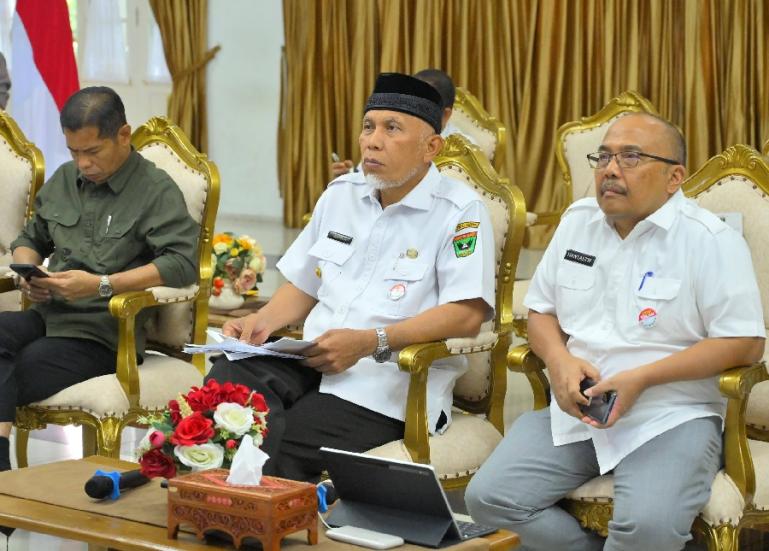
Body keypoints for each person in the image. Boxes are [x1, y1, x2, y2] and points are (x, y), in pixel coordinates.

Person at [465, 113, 765, 551]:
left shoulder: (710, 241)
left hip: (670, 414)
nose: (610, 169)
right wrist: (560, 361)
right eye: (604, 156)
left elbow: (745, 343)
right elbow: (541, 312)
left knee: (645, 528)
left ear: (674, 176)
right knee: (489, 500)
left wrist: (642, 377)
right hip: (578, 409)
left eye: (630, 157)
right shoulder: (577, 222)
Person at [206, 72, 496, 482]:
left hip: (385, 385)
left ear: (431, 146)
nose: (372, 141)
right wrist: (261, 322)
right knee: (225, 385)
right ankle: (217, 508)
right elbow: (305, 282)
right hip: (311, 359)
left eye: (391, 128)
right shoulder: (342, 193)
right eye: (368, 126)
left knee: (281, 442)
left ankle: (247, 523)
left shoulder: (459, 211)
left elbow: (466, 314)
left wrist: (370, 342)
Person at [0, 86, 198, 472]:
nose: (83, 164)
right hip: (50, 317)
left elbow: (181, 263)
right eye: (74, 152)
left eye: (93, 152)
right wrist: (28, 273)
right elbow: (30, 239)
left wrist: (103, 284)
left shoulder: (154, 190)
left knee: (22, 363)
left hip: (105, 334)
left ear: (123, 135)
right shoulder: (64, 180)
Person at [330, 68, 476, 177]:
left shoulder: (466, 149)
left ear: (445, 114)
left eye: (422, 106)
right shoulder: (386, 132)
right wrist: (350, 176)